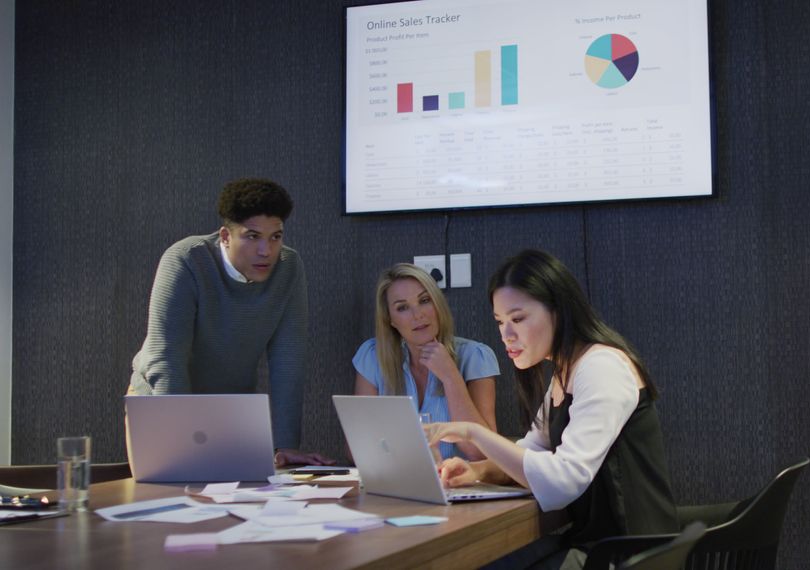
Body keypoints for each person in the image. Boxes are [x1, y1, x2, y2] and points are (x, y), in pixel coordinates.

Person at [426, 249, 679, 567]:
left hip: (630, 555)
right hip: (595, 543)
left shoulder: (601, 366)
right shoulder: (564, 372)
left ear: (558, 310)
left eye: (518, 319)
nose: (507, 335)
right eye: (500, 322)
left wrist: (473, 433)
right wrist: (478, 471)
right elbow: (531, 453)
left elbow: (561, 482)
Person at [128, 178, 332, 467]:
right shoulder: (186, 259)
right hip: (163, 400)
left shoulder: (289, 268)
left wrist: (286, 445)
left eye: (276, 236)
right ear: (225, 236)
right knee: (170, 493)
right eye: (252, 236)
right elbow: (166, 358)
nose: (266, 250)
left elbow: (288, 361)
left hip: (230, 407)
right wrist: (178, 439)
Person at [353, 263, 498, 460]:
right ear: (391, 320)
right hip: (399, 484)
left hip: (459, 486)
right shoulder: (373, 357)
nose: (418, 315)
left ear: (438, 305)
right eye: (403, 307)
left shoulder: (475, 357)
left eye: (424, 300)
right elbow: (358, 450)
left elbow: (481, 453)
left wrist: (450, 377)